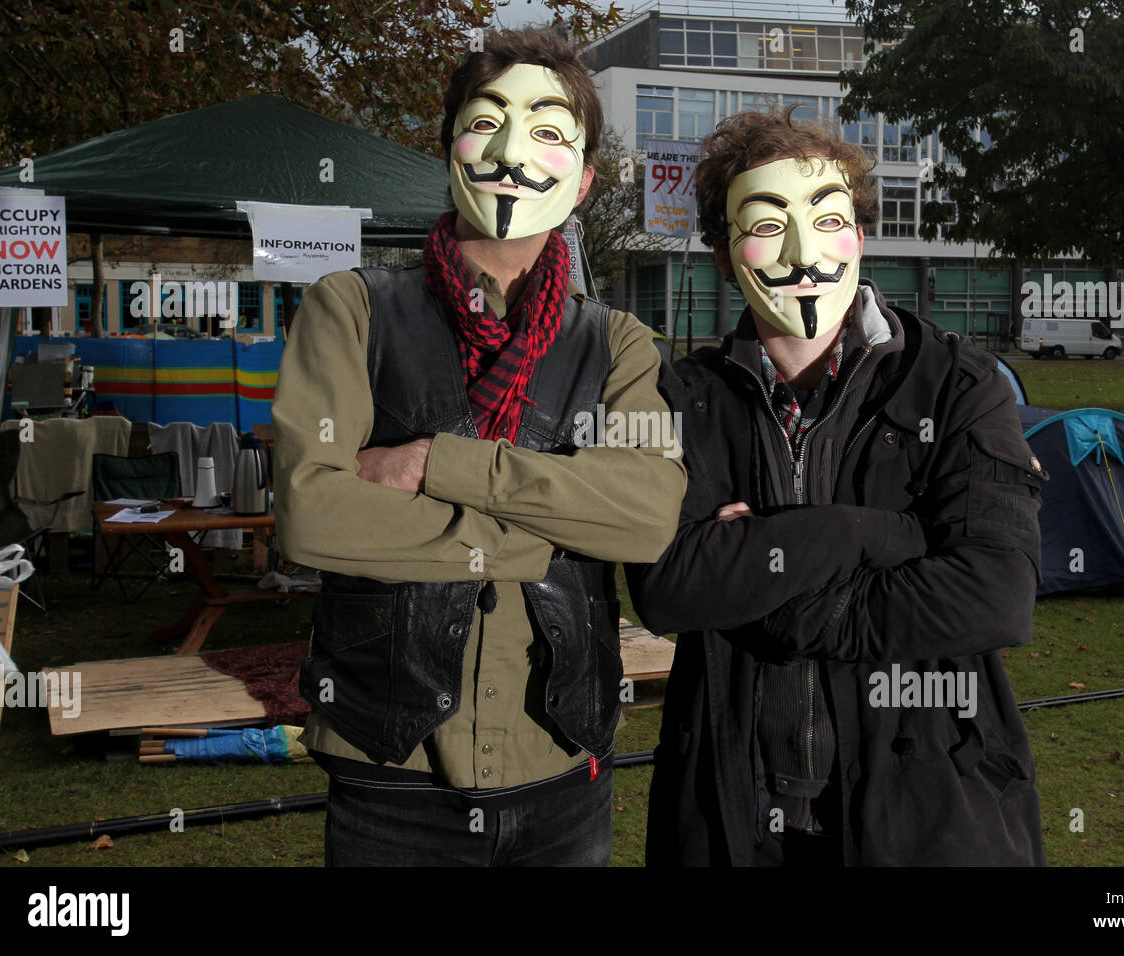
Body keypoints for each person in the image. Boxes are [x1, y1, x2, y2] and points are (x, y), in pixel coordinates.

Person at [271, 27, 686, 866]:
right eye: (485, 121)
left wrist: (436, 463)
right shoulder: (349, 309)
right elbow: (313, 515)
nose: (511, 153)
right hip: (392, 768)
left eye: (547, 133)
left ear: (584, 181)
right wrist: (554, 521)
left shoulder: (623, 344)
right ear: (449, 148)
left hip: (564, 765)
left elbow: (644, 520)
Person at [627, 109, 1047, 866]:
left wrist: (768, 587)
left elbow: (996, 592)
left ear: (859, 232)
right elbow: (668, 588)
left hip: (927, 819)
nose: (803, 252)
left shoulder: (957, 384)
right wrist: (865, 533)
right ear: (724, 253)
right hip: (731, 818)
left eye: (828, 220)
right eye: (765, 224)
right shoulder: (682, 397)